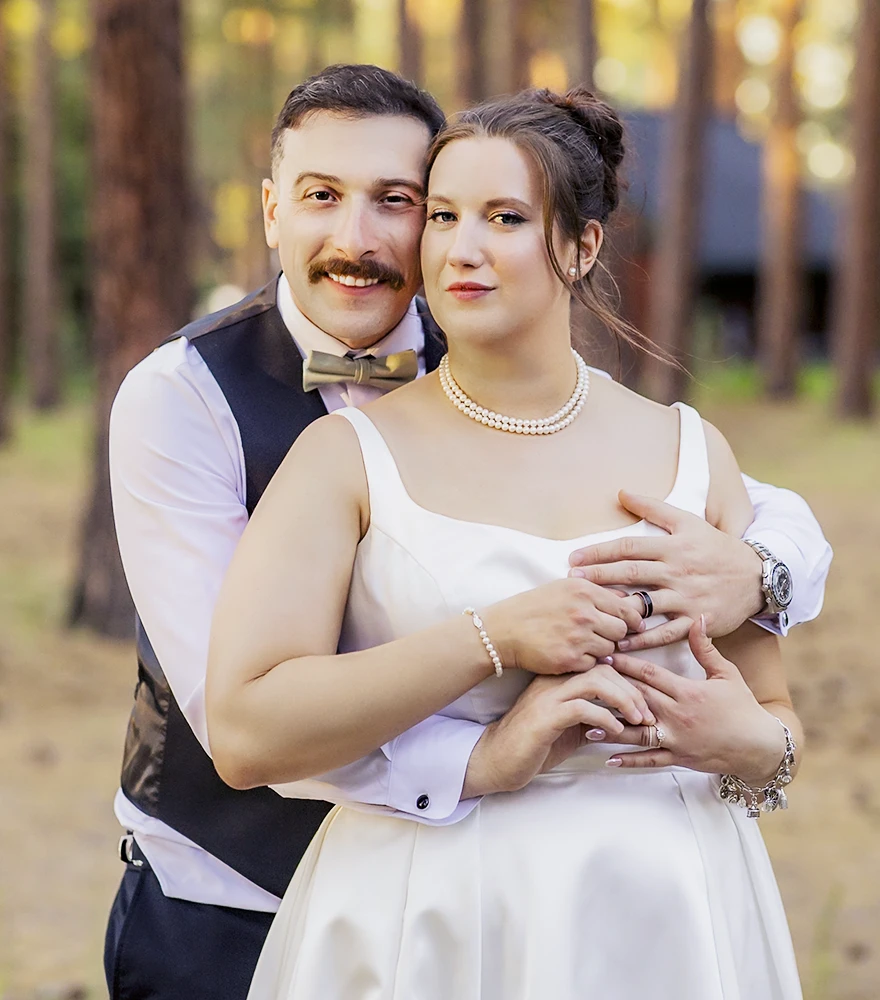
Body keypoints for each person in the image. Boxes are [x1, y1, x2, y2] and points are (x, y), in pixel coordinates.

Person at [105, 66, 828, 999]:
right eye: (323, 196)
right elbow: (233, 716)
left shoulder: (514, 354)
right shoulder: (189, 401)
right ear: (272, 211)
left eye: (402, 203)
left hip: (658, 906)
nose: (363, 238)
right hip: (252, 893)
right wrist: (490, 712)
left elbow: (760, 530)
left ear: (578, 245)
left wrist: (759, 575)